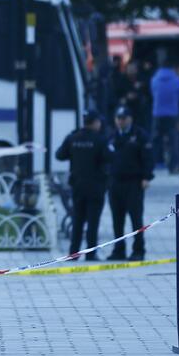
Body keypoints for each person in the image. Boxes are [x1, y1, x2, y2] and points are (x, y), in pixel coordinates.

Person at [55, 110, 109, 260]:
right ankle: (91, 254)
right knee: (93, 221)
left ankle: (73, 253)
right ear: (95, 123)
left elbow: (59, 155)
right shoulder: (100, 139)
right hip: (95, 186)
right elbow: (110, 157)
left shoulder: (73, 137)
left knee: (77, 220)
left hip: (77, 185)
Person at [106, 105, 155, 261]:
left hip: (134, 183)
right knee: (117, 219)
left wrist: (146, 177)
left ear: (130, 119)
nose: (121, 121)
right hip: (115, 182)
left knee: (136, 218)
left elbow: (148, 158)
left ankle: (138, 250)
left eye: (124, 118)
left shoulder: (140, 135)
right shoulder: (111, 136)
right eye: (118, 118)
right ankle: (118, 250)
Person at [150, 58, 179, 172]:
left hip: (157, 113)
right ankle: (173, 165)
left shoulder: (154, 79)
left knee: (156, 139)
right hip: (173, 113)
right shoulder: (177, 79)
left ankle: (156, 162)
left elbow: (153, 93)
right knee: (173, 140)